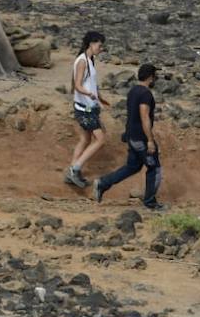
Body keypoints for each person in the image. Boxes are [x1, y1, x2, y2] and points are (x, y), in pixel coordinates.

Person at [94, 63, 164, 211]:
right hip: (141, 138)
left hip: (132, 136)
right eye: (155, 77)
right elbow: (144, 117)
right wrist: (150, 140)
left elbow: (131, 114)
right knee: (154, 168)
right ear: (151, 77)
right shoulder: (145, 94)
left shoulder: (133, 91)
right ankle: (150, 202)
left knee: (132, 167)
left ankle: (103, 183)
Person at [64, 30, 108, 189]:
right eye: (100, 45)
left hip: (84, 106)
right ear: (91, 43)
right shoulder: (82, 61)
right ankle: (75, 169)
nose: (101, 48)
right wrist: (89, 94)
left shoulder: (89, 60)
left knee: (85, 139)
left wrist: (99, 96)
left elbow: (90, 83)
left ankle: (72, 173)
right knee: (101, 139)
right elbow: (77, 85)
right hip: (86, 108)